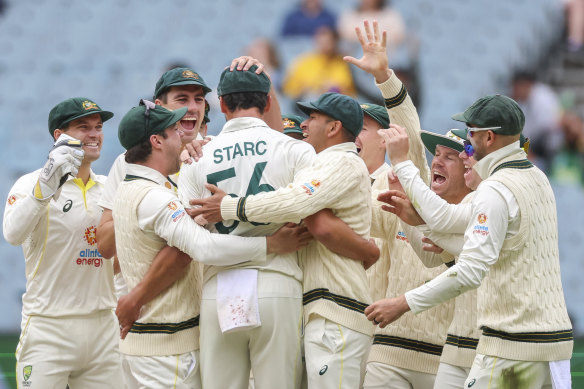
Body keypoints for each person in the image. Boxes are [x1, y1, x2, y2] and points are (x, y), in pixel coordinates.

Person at [368, 95, 574, 388]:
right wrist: (422, 224)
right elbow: (473, 233)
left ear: (489, 137)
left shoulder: (495, 189)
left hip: (511, 345)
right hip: (552, 347)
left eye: (470, 135)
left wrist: (403, 303)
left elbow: (469, 270)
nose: (467, 146)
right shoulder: (538, 179)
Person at [113, 101, 311, 388]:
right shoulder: (157, 198)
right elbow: (201, 248)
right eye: (173, 131)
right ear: (156, 141)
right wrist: (270, 245)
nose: (182, 136)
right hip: (167, 348)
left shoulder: (127, 189)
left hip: (144, 344)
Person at [188, 89, 375, 389]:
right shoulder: (319, 162)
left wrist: (229, 206)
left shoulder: (339, 163)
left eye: (312, 118)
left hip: (335, 309)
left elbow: (302, 205)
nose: (303, 124)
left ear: (333, 127)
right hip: (314, 302)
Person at [343, 21, 457, 388]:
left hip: (445, 359)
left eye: (449, 157)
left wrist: (385, 78)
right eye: (434, 154)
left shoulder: (468, 209)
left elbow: (407, 130)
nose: (437, 162)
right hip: (386, 349)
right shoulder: (407, 191)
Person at [3, 97, 123, 388]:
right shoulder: (30, 183)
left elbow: (119, 258)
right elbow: (12, 234)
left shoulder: (111, 187)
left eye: (98, 127)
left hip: (103, 328)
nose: (94, 134)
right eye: (84, 127)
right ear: (59, 136)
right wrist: (44, 188)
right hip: (48, 327)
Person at [282, 26, 356, 101]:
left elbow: (344, 84)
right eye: (321, 42)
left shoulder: (342, 62)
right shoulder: (303, 61)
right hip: (306, 102)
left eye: (328, 42)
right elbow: (290, 89)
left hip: (336, 102)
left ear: (335, 42)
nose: (324, 45)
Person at [337, 0, 405, 54]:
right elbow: (345, 37)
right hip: (356, 58)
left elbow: (397, 37)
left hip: (386, 57)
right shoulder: (350, 15)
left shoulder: (391, 15)